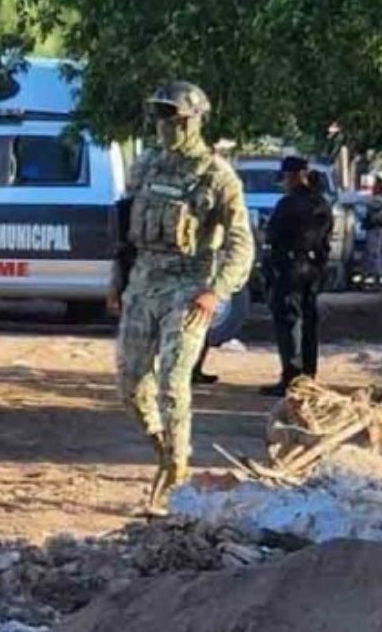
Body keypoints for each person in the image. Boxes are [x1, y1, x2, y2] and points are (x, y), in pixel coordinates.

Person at [110, 81, 253, 516]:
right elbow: (124, 233)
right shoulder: (145, 166)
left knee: (173, 381)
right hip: (143, 284)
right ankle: (165, 450)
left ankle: (175, 473)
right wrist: (116, 281)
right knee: (130, 384)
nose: (164, 126)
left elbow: (241, 243)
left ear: (194, 121)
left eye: (173, 118)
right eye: (159, 117)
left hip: (188, 288)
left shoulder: (217, 175)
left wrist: (217, 291)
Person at [259, 156, 333, 397]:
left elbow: (272, 236)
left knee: (288, 322)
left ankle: (291, 377)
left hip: (289, 267)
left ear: (293, 176)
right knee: (309, 322)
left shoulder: (288, 203)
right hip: (312, 267)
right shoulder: (321, 202)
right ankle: (308, 375)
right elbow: (325, 241)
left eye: (285, 177)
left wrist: (270, 267)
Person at [365, 176, 382, 286]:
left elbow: (370, 207)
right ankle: (377, 277)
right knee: (377, 253)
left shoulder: (376, 200)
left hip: (376, 229)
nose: (373, 187)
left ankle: (377, 278)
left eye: (375, 185)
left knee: (375, 253)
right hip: (379, 229)